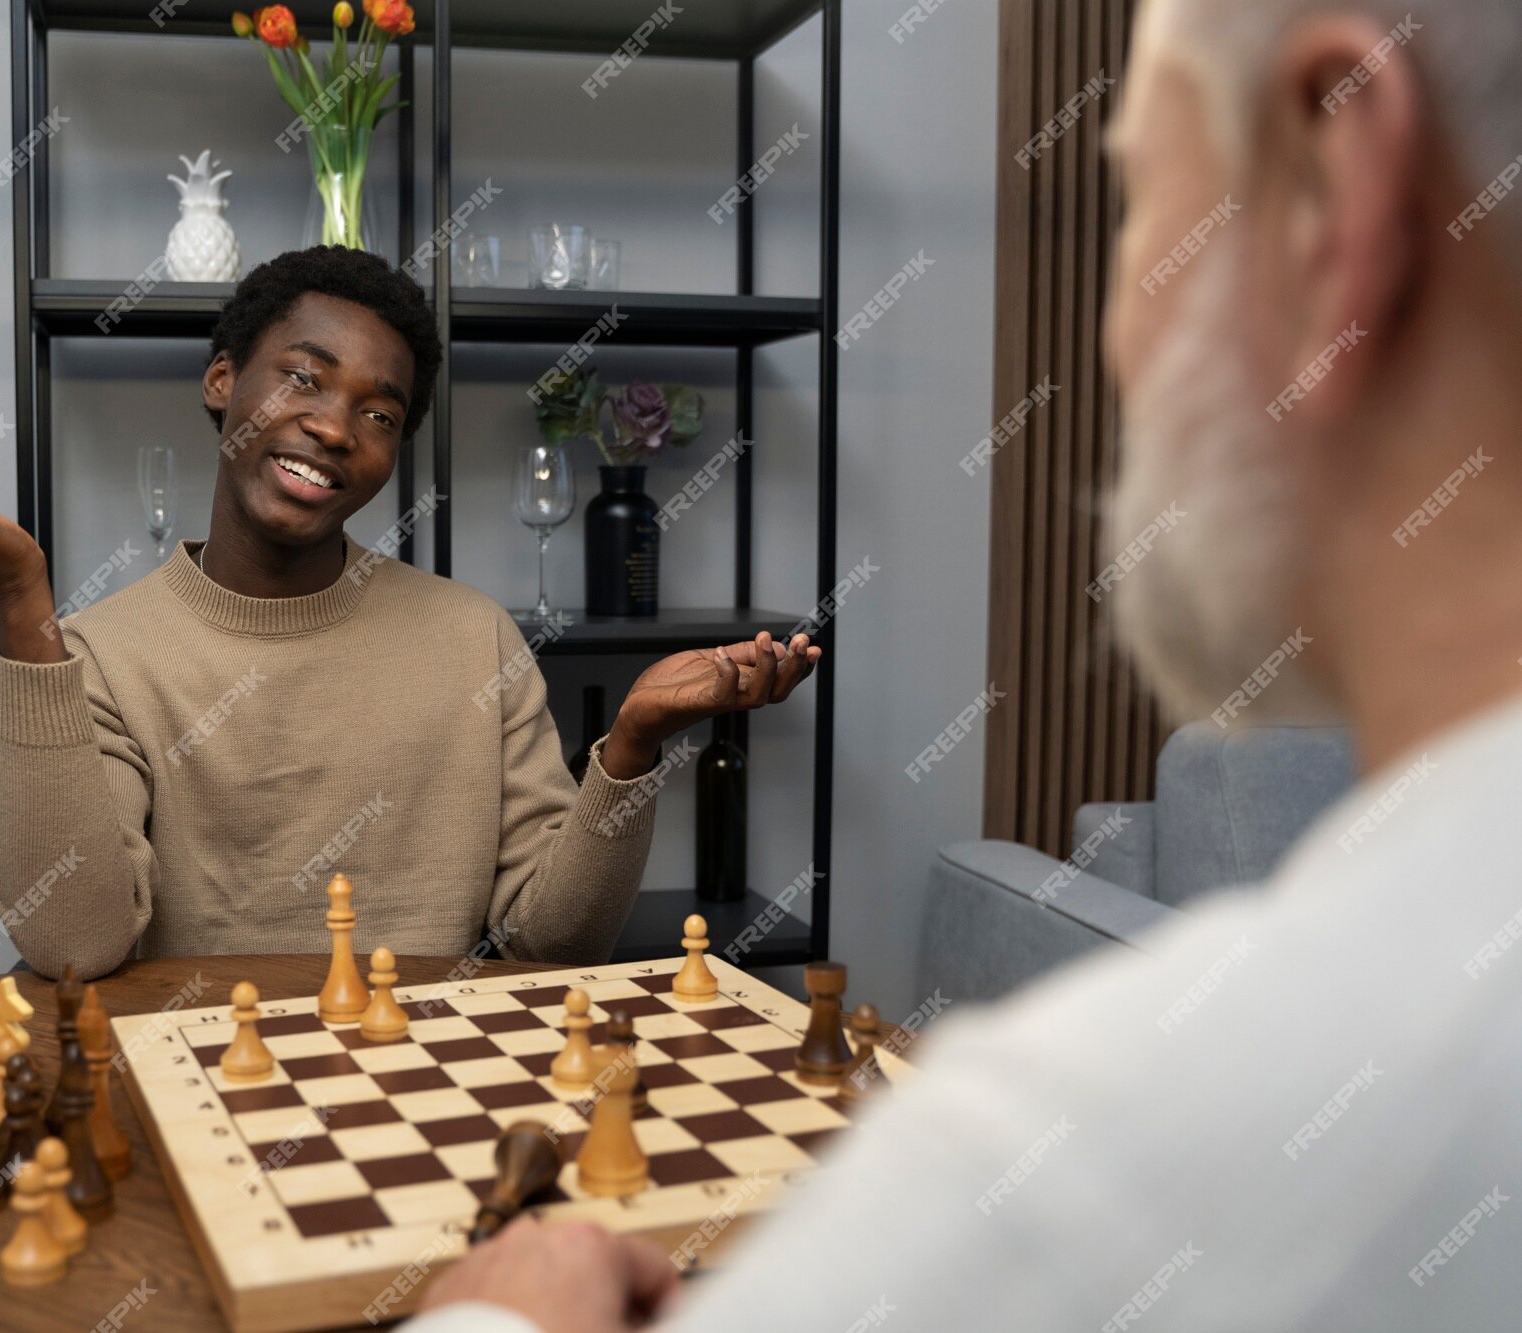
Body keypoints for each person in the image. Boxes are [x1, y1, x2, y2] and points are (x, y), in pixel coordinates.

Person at [411, 0, 1522, 1328]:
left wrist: (504, 1310)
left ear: (1330, 201)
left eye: (1136, 198)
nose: (1119, 336)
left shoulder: (1092, 1145)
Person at [0, 246, 819, 979]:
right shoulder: (104, 654)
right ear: (220, 380)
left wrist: (630, 746)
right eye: (302, 377)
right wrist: (19, 607)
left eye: (378, 414)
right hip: (188, 1113)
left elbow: (549, 945)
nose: (333, 427)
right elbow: (73, 944)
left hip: (421, 1106)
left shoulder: (472, 638)